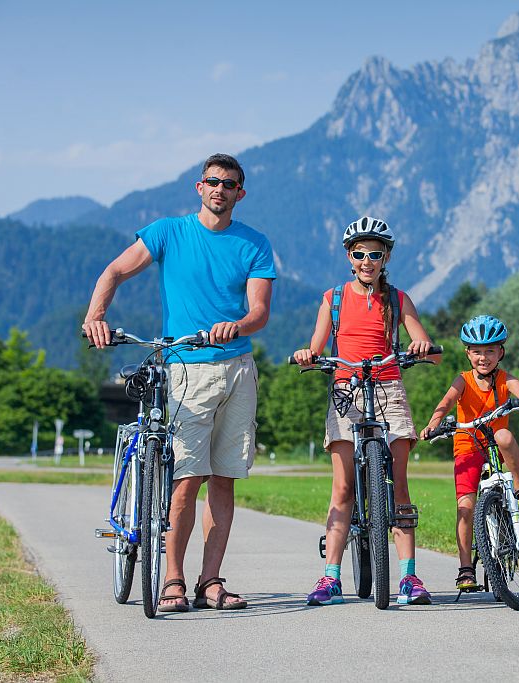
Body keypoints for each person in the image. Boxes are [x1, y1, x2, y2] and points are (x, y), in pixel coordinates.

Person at [82, 153, 275, 612]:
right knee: (186, 479)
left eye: (229, 184)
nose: (220, 190)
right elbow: (114, 271)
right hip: (187, 368)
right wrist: (96, 315)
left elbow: (259, 311)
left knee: (224, 480)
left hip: (238, 368)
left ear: (239, 194)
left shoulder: (254, 243)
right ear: (199, 186)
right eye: (213, 181)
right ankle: (172, 579)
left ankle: (211, 581)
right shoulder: (169, 231)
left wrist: (239, 325)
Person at [292, 216, 440, 606]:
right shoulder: (333, 299)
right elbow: (317, 344)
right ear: (349, 256)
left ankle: (409, 577)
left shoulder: (397, 299)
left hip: (389, 387)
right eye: (360, 254)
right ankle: (331, 578)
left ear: (386, 256)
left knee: (400, 486)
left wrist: (422, 346)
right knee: (342, 488)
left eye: (375, 254)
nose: (367, 261)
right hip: (346, 389)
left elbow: (419, 336)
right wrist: (309, 354)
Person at [420, 315, 519, 591]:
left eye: (490, 351)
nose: (483, 357)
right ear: (468, 353)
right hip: (468, 446)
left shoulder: (505, 379)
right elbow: (446, 402)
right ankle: (465, 569)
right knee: (465, 507)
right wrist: (433, 424)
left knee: (504, 434)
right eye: (477, 351)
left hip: (496, 448)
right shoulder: (462, 380)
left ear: (501, 352)